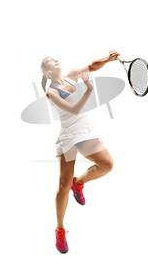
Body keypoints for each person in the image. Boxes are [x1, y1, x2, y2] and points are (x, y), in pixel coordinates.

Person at [40, 50, 120, 254]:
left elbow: (92, 66)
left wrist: (107, 59)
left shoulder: (71, 75)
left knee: (107, 165)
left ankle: (80, 182)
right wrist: (88, 91)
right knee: (62, 185)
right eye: (50, 61)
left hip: (84, 130)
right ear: (45, 70)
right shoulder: (51, 92)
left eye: (55, 58)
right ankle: (59, 230)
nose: (55, 59)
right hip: (68, 136)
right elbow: (73, 110)